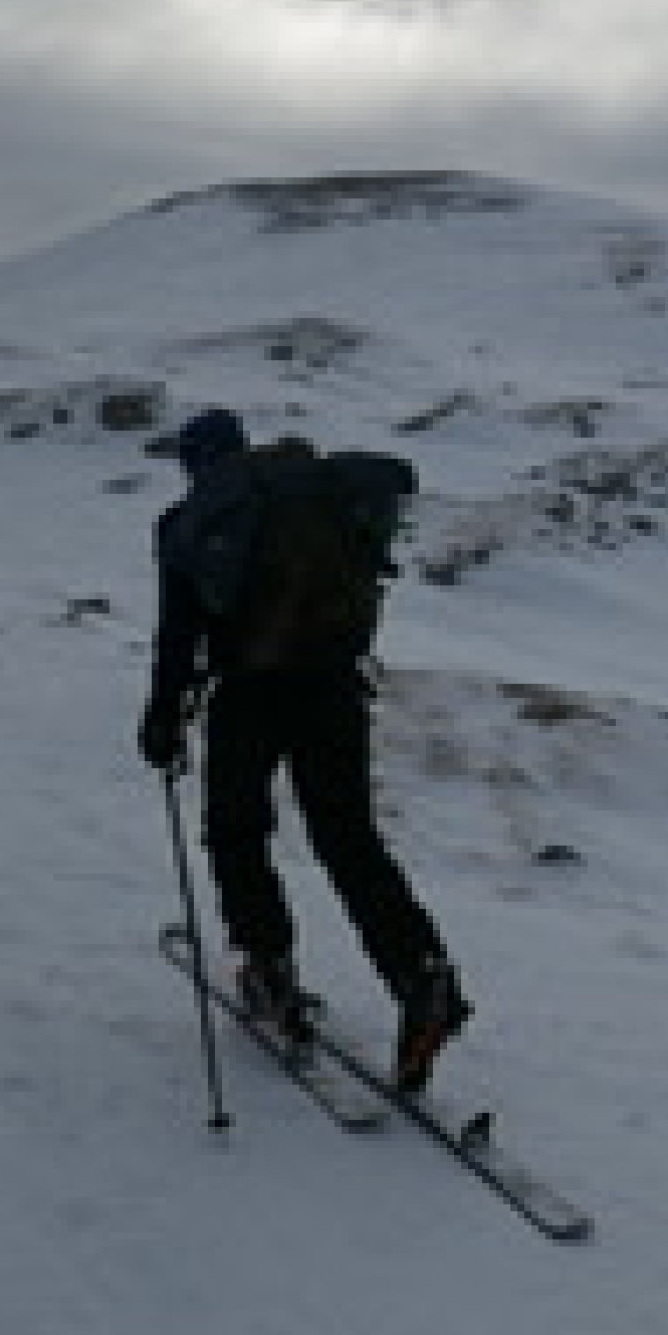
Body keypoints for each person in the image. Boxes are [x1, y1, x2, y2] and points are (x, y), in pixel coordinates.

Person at [138, 407, 471, 1092]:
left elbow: (178, 637)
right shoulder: (316, 492)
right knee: (349, 841)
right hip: (333, 687)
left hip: (248, 695)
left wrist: (164, 719)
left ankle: (268, 968)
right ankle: (421, 977)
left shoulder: (196, 522)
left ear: (195, 463)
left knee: (236, 829)